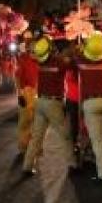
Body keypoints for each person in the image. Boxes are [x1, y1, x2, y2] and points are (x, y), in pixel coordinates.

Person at [22, 36, 77, 176]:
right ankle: (72, 165)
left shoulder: (41, 63)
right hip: (53, 104)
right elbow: (72, 64)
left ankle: (27, 166)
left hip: (40, 102)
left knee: (36, 137)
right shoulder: (58, 62)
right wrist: (71, 50)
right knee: (65, 135)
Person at [77, 32, 102, 182]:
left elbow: (76, 53)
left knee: (98, 140)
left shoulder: (82, 62)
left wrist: (83, 46)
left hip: (91, 104)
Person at [15, 32, 39, 154]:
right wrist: (20, 94)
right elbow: (18, 77)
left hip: (37, 93)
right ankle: (23, 147)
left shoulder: (39, 60)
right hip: (26, 92)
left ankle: (33, 147)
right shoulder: (23, 59)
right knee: (25, 121)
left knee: (36, 122)